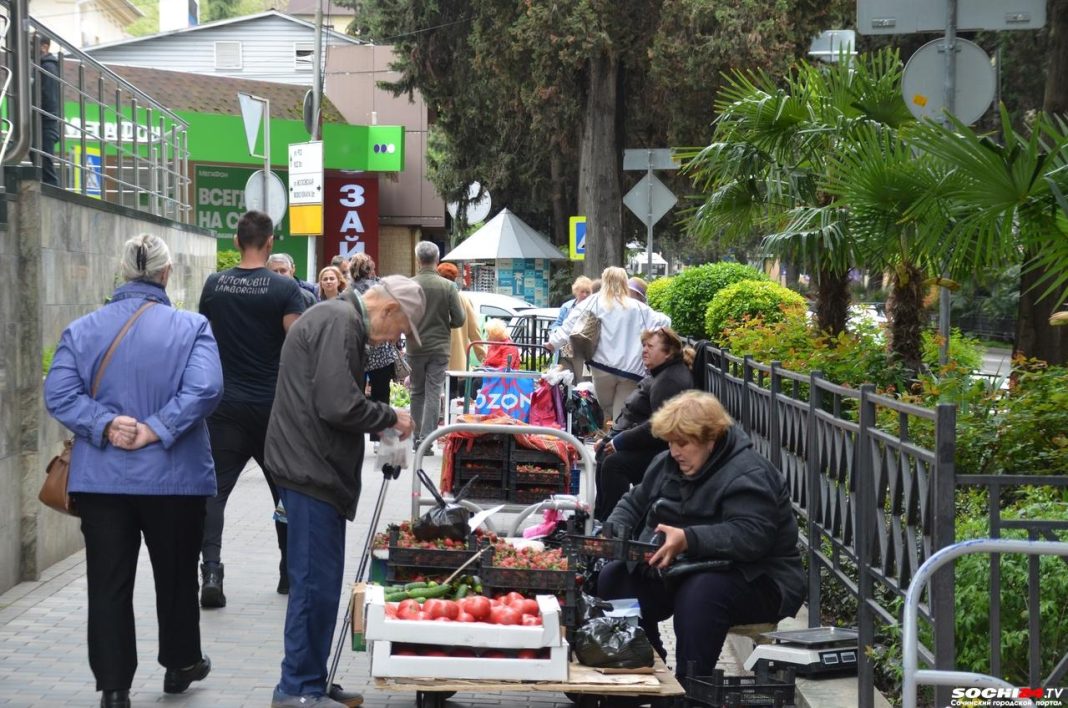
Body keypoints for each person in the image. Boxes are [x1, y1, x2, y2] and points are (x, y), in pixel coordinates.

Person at [44, 234, 223, 708]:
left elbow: (59, 395)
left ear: (122, 272)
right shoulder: (192, 327)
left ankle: (113, 686)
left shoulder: (82, 330)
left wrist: (104, 424)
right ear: (166, 274)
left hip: (102, 481)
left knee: (107, 582)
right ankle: (181, 663)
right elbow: (206, 389)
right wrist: (157, 429)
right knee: (178, 574)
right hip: (175, 478)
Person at [265, 276, 420, 708]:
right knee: (314, 585)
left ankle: (310, 679)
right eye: (402, 329)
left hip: (312, 465)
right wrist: (389, 415)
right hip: (309, 467)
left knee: (320, 584)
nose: (397, 340)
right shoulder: (342, 322)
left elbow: (333, 397)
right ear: (388, 310)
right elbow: (336, 403)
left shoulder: (338, 318)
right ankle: (297, 688)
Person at [597, 390, 804, 679]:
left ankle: (692, 686)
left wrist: (688, 538)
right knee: (615, 577)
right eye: (670, 442)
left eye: (683, 443)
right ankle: (644, 666)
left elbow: (751, 537)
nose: (674, 451)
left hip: (758, 578)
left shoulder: (749, 473)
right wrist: (615, 529)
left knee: (699, 594)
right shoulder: (667, 462)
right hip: (685, 568)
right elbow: (634, 501)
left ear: (711, 438)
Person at [198, 210, 307, 606]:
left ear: (235, 240)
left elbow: (203, 341)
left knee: (214, 492)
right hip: (272, 408)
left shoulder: (214, 285)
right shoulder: (284, 289)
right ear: (271, 242)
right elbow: (298, 348)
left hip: (223, 406)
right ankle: (288, 573)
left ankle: (211, 571)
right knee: (285, 491)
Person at [593, 327, 693, 520]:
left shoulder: (670, 380)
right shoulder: (660, 373)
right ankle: (601, 519)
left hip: (663, 451)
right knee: (604, 455)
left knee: (614, 463)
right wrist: (609, 439)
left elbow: (659, 426)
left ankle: (614, 526)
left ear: (669, 352)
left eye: (650, 346)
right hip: (646, 442)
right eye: (643, 346)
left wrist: (619, 442)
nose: (644, 350)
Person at [548, 267, 670, 421]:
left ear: (604, 281)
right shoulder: (638, 307)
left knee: (607, 407)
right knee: (622, 411)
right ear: (625, 282)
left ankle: (612, 435)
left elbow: (571, 323)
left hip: (602, 367)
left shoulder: (594, 301)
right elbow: (665, 321)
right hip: (631, 370)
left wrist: (553, 343)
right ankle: (617, 436)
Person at [408, 241, 465, 450]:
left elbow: (402, 316)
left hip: (415, 347)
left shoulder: (410, 285)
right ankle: (427, 442)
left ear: (417, 259)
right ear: (437, 259)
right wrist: (444, 324)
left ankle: (415, 438)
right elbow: (459, 319)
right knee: (433, 392)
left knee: (416, 392)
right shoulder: (448, 286)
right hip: (440, 347)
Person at [351, 253, 398, 447]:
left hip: (357, 347)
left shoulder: (349, 291)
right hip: (381, 348)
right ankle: (380, 438)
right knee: (381, 394)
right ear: (370, 269)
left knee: (355, 393)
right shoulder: (382, 289)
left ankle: (354, 435)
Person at [436, 262, 485, 401]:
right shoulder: (463, 298)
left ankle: (439, 417)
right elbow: (474, 330)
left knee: (435, 390)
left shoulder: (436, 298)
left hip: (436, 352)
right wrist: (482, 356)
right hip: (457, 356)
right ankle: (450, 419)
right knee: (453, 391)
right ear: (455, 278)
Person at [36, 36, 60, 187]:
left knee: (45, 162)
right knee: (41, 159)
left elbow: (49, 97)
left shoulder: (48, 67)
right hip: (44, 120)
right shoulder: (42, 66)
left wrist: (43, 117)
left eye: (32, 44)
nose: (29, 48)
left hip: (46, 121)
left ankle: (51, 191)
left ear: (44, 47)